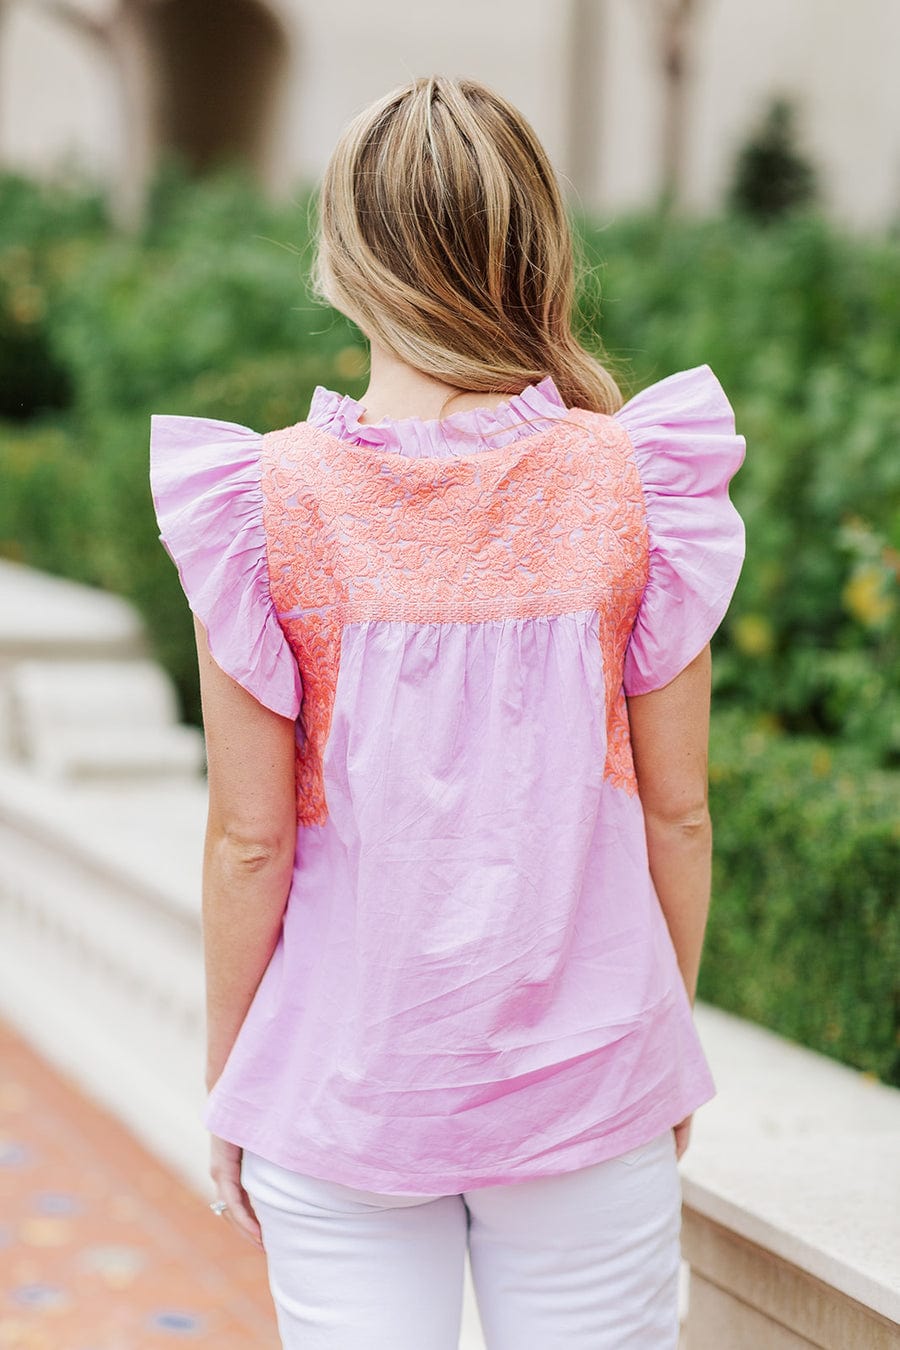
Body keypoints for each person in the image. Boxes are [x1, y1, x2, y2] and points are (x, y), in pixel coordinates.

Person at [149, 74, 745, 1350]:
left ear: (339, 260)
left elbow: (249, 841)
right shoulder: (637, 480)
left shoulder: (261, 504)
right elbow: (680, 813)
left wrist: (231, 1078)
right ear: (538, 247)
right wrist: (656, 1037)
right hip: (590, 1092)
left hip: (341, 1094)